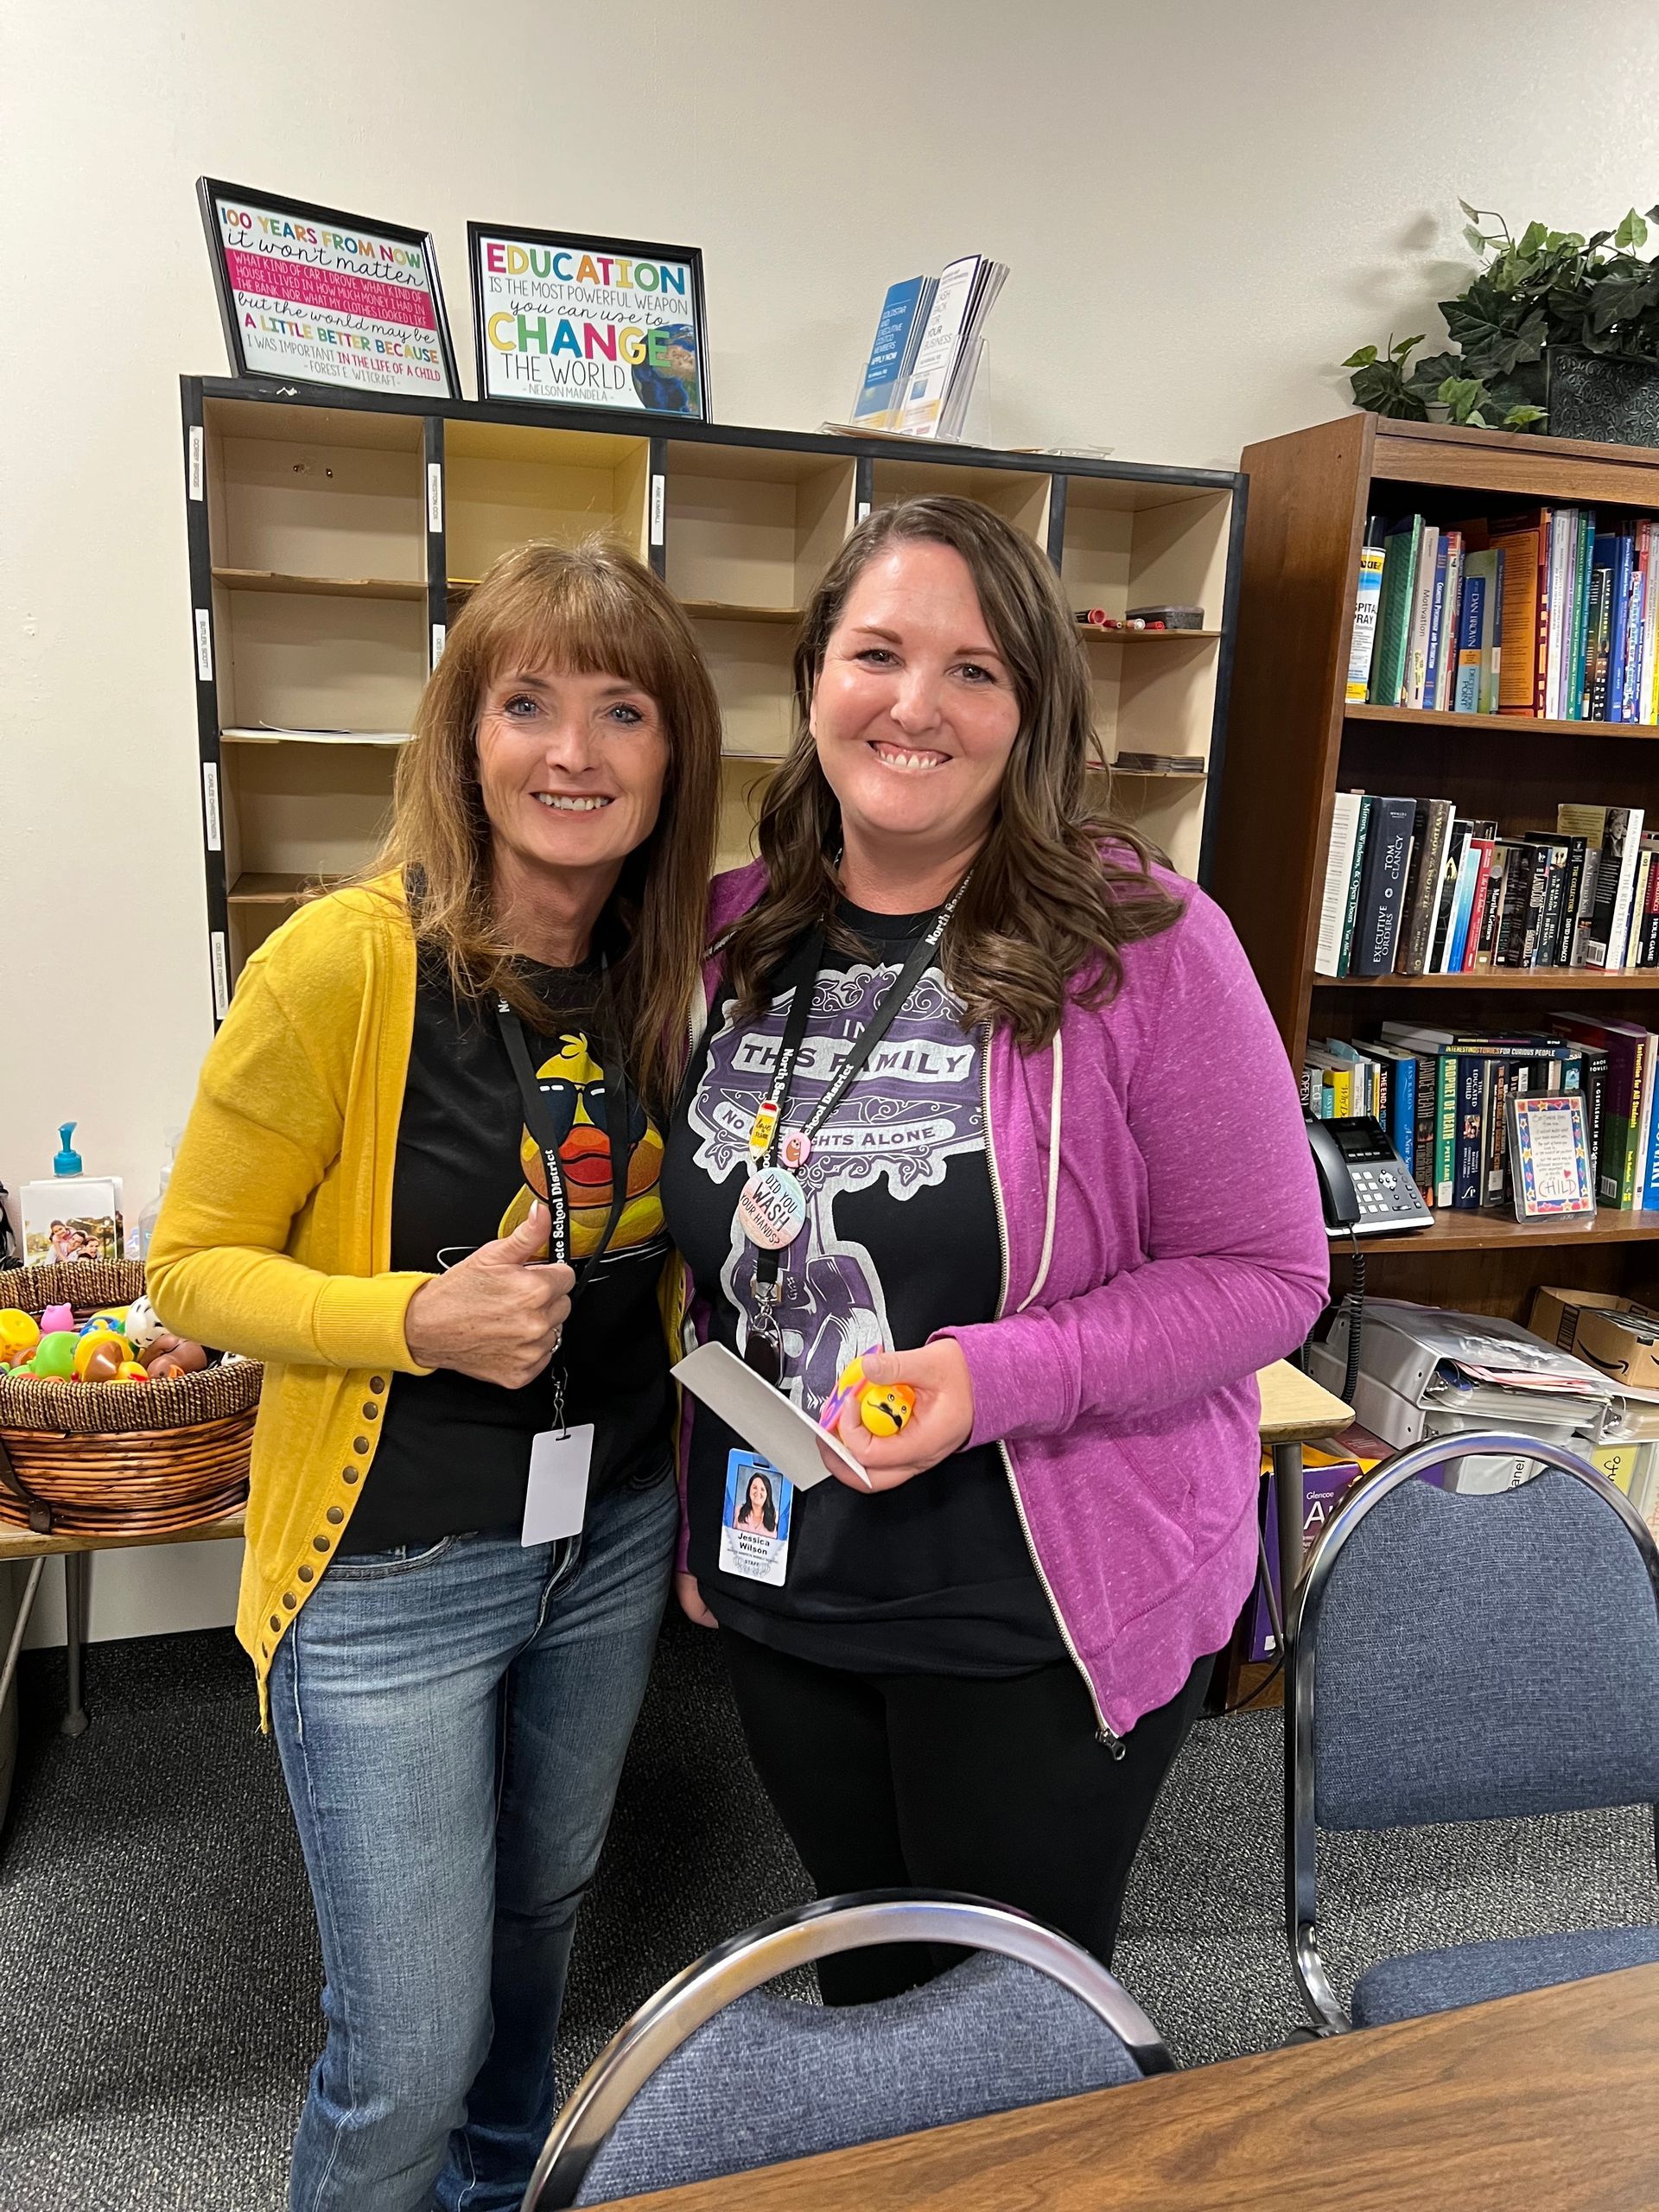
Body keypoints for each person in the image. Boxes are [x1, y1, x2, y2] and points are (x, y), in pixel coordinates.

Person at [661, 494, 1328, 2005]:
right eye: (877, 652)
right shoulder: (733, 931)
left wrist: (993, 1375)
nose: (914, 704)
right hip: (790, 1584)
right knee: (866, 1979)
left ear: (1031, 712)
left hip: (1035, 1613)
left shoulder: (1141, 940)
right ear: (816, 677)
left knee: (1015, 2041)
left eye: (974, 670)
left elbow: (1272, 1277)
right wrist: (714, 1508)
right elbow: (729, 1267)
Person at [147, 540, 721, 2212]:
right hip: (391, 1575)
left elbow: (667, 1267)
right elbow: (189, 1265)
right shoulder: (341, 964)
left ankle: (497, 2189)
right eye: (525, 703)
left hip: (604, 1536)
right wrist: (416, 1320)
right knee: (401, 2041)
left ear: (671, 754)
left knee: (543, 1919)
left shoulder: (667, 978)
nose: (572, 753)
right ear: (463, 737)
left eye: (622, 711)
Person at [734, 1468, 778, 1533]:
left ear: (767, 1494)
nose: (758, 1492)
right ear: (749, 1490)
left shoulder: (776, 1517)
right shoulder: (737, 1511)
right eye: (755, 1488)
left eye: (762, 1489)